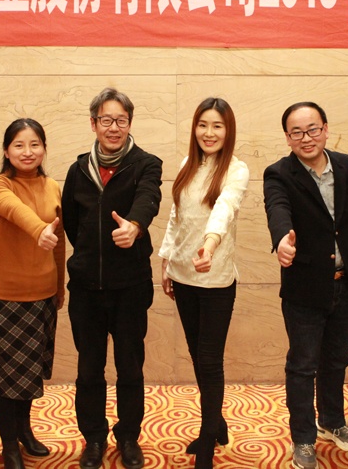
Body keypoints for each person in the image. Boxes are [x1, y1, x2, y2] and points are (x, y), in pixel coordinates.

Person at [62, 88, 163, 469]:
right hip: (86, 289)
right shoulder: (78, 171)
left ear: (130, 123)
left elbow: (149, 198)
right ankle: (93, 438)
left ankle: (128, 437)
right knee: (89, 369)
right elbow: (72, 223)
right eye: (106, 120)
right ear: (94, 124)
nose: (114, 128)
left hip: (130, 287)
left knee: (130, 367)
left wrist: (135, 226)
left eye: (121, 120)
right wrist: (92, 255)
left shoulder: (146, 164)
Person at [263, 101, 348, 469]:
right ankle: (303, 439)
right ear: (287, 137)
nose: (306, 138)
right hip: (304, 286)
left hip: (345, 283)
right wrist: (282, 239)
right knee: (303, 366)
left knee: (337, 360)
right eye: (297, 132)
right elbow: (277, 209)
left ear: (325, 129)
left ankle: (332, 421)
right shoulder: (279, 173)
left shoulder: (346, 165)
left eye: (312, 129)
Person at [158, 98, 250, 469]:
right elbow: (176, 216)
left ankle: (208, 440)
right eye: (203, 125)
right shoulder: (187, 164)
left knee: (210, 361)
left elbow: (224, 211)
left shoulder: (236, 170)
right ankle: (218, 423)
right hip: (183, 275)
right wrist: (167, 260)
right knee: (198, 356)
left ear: (228, 131)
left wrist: (209, 246)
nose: (209, 133)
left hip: (215, 278)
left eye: (217, 126)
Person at [0, 118, 66, 469]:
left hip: (41, 294)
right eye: (19, 145)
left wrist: (58, 285)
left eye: (34, 144)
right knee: (4, 379)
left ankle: (25, 432)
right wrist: (39, 230)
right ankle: (9, 444)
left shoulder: (52, 186)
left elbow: (59, 242)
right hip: (3, 297)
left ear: (44, 148)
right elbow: (17, 211)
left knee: (28, 374)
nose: (27, 152)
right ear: (6, 150)